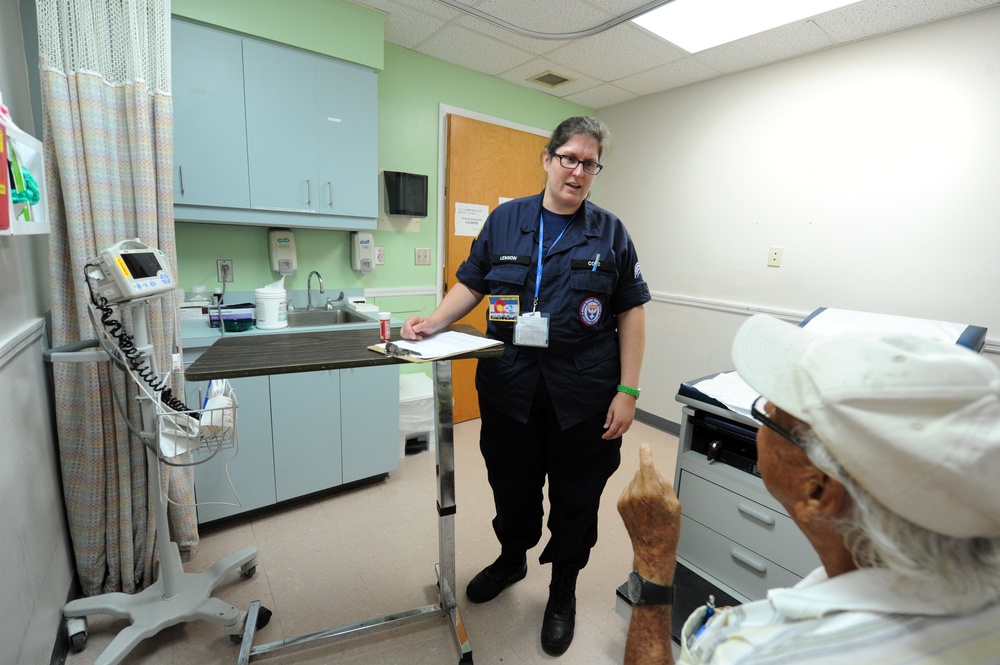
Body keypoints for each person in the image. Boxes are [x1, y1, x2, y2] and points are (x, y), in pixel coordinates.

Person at [402, 116, 650, 656]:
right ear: (548, 158)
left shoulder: (610, 233)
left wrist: (628, 392)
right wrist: (433, 321)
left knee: (577, 496)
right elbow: (472, 280)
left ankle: (563, 590)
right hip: (511, 385)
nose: (578, 171)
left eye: (590, 163)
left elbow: (631, 311)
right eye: (570, 158)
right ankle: (512, 558)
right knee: (510, 485)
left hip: (583, 395)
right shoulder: (505, 220)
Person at [618, 313, 1000, 664]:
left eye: (771, 413)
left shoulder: (753, 653)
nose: (764, 409)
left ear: (818, 491)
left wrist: (654, 561)